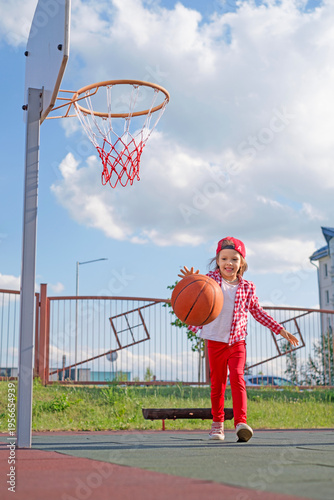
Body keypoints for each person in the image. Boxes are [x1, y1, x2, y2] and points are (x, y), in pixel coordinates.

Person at [178, 236, 299, 443]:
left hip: (237, 341)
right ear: (217, 260)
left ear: (241, 262)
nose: (229, 263)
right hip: (214, 340)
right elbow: (191, 296)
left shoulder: (247, 287)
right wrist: (189, 281)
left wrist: (280, 329)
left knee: (237, 377)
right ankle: (217, 425)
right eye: (224, 258)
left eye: (234, 259)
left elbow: (258, 312)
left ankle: (241, 423)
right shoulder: (207, 281)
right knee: (217, 384)